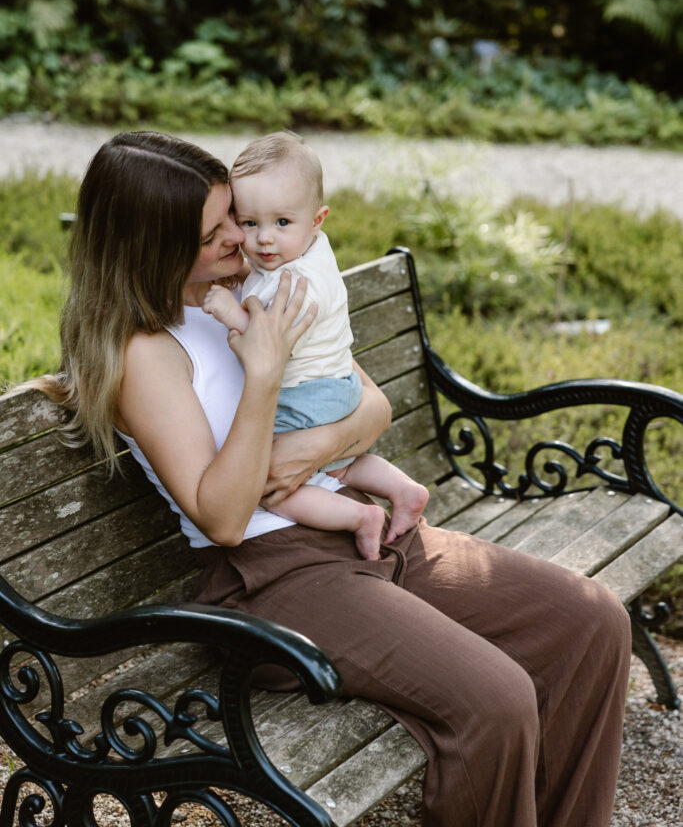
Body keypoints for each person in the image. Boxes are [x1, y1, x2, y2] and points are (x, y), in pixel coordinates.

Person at [27, 129, 631, 827]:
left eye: (233, 212)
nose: (239, 235)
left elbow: (369, 402)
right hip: (274, 579)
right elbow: (223, 517)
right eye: (214, 229)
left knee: (589, 620)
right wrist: (263, 373)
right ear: (152, 245)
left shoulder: (243, 282)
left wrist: (307, 448)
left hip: (354, 528)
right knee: (493, 699)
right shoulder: (145, 353)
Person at [201, 130, 429, 560]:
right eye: (250, 223)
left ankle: (360, 517)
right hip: (338, 384)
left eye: (281, 223)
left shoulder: (289, 284)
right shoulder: (314, 252)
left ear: (317, 219)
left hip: (305, 395)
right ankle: (403, 488)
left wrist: (227, 310)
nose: (264, 240)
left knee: (269, 485)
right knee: (334, 463)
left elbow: (264, 339)